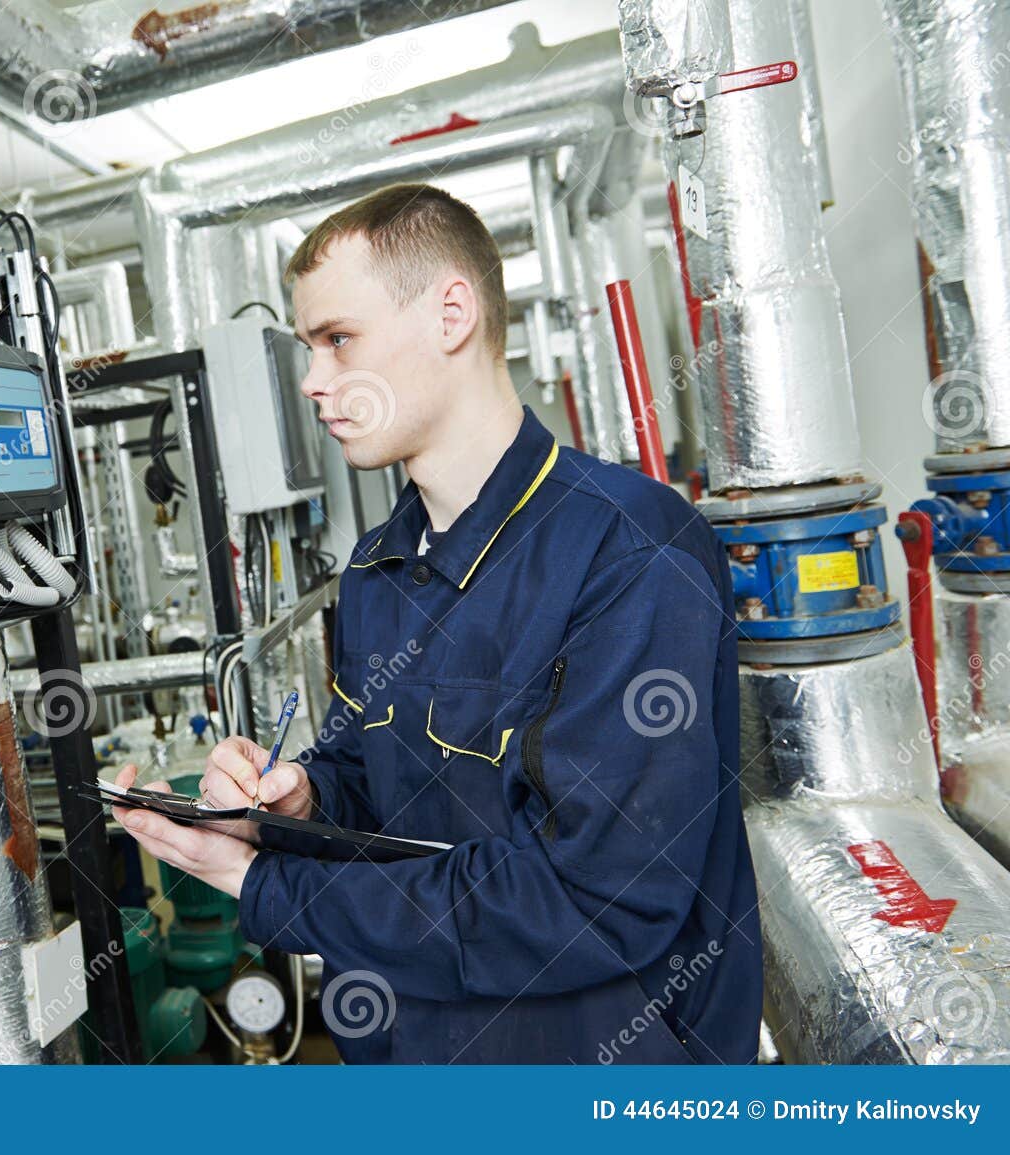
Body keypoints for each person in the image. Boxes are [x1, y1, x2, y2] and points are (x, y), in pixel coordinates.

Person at [113, 182, 762, 1064]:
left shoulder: (629, 552)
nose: (312, 380)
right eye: (310, 348)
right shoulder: (382, 566)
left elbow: (593, 904)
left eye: (339, 339)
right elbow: (370, 779)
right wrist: (292, 802)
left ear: (452, 313)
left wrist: (267, 885)